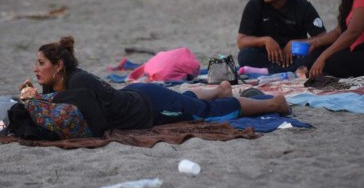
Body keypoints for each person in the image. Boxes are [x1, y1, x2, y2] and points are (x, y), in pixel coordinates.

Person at [15, 36, 291, 140]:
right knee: (185, 100)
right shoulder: (74, 80)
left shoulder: (78, 86)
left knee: (205, 113)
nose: (36, 69)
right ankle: (218, 89)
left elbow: (98, 128)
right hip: (142, 94)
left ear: (59, 66)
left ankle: (273, 103)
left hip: (150, 107)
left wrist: (36, 102)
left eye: (41, 63)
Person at [237, 0, 326, 74]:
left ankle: (267, 72)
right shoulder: (254, 5)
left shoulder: (302, 6)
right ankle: (290, 71)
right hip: (268, 56)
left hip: (295, 55)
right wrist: (265, 40)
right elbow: (241, 41)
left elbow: (323, 36)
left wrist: (296, 43)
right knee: (245, 55)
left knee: (318, 52)